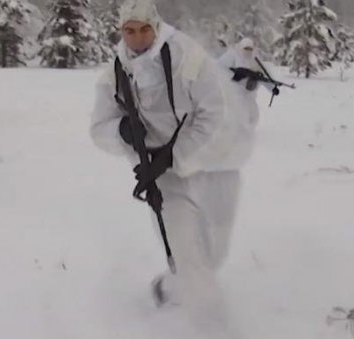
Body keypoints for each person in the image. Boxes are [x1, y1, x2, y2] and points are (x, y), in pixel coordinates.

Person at [90, 0, 253, 337]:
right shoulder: (116, 72)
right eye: (129, 31)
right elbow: (99, 127)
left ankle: (171, 287)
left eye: (144, 29)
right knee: (188, 253)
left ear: (157, 26)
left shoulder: (187, 56)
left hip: (218, 163)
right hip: (162, 176)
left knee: (213, 255)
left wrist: (175, 155)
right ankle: (215, 329)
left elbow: (216, 115)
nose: (137, 38)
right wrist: (122, 134)